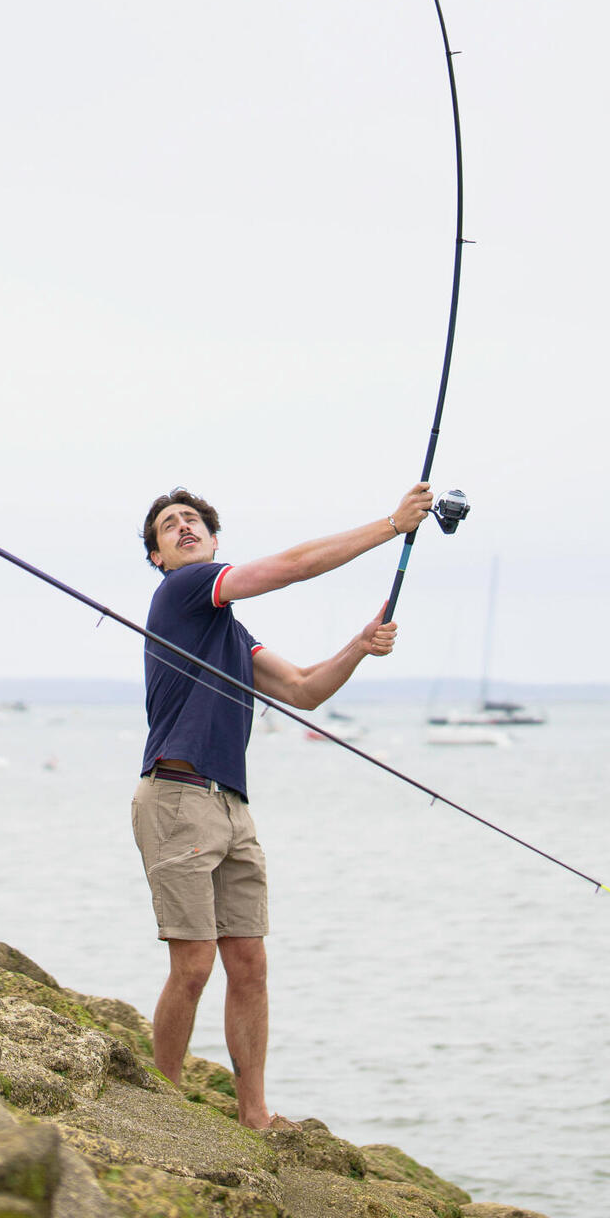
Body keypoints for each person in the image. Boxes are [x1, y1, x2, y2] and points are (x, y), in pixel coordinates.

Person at [134, 482, 431, 1128]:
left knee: (250, 962)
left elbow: (303, 690)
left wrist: (358, 643)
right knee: (194, 963)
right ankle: (161, 1103)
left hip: (232, 805)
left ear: (214, 540)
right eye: (168, 526)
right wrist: (390, 524)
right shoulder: (183, 591)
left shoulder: (232, 635)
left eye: (194, 520)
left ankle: (255, 1114)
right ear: (159, 557)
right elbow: (293, 567)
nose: (183, 527)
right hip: (177, 795)